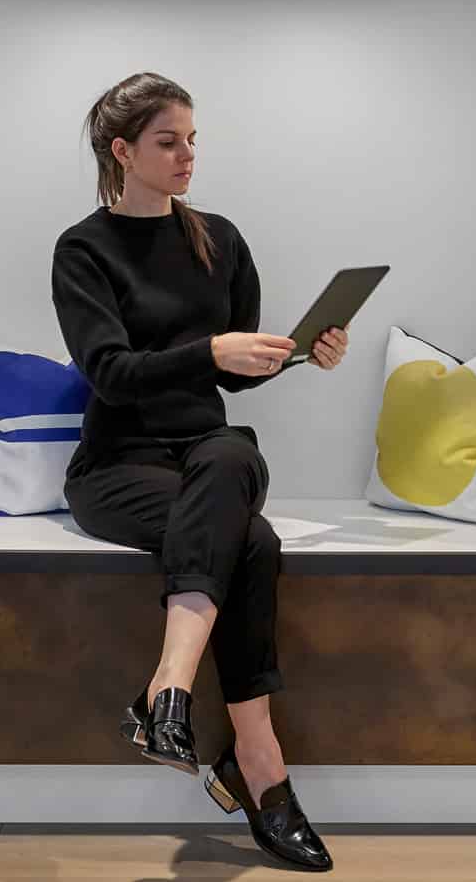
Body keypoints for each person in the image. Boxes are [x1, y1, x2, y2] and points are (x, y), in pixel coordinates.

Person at [53, 71, 344, 875]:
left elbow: (237, 373)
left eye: (192, 138)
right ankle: (262, 767)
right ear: (122, 151)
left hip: (206, 457)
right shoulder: (83, 249)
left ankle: (167, 696)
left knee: (231, 450)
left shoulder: (219, 236)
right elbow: (111, 372)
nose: (187, 155)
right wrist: (209, 351)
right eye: (167, 141)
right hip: (118, 466)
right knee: (248, 540)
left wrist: (295, 354)